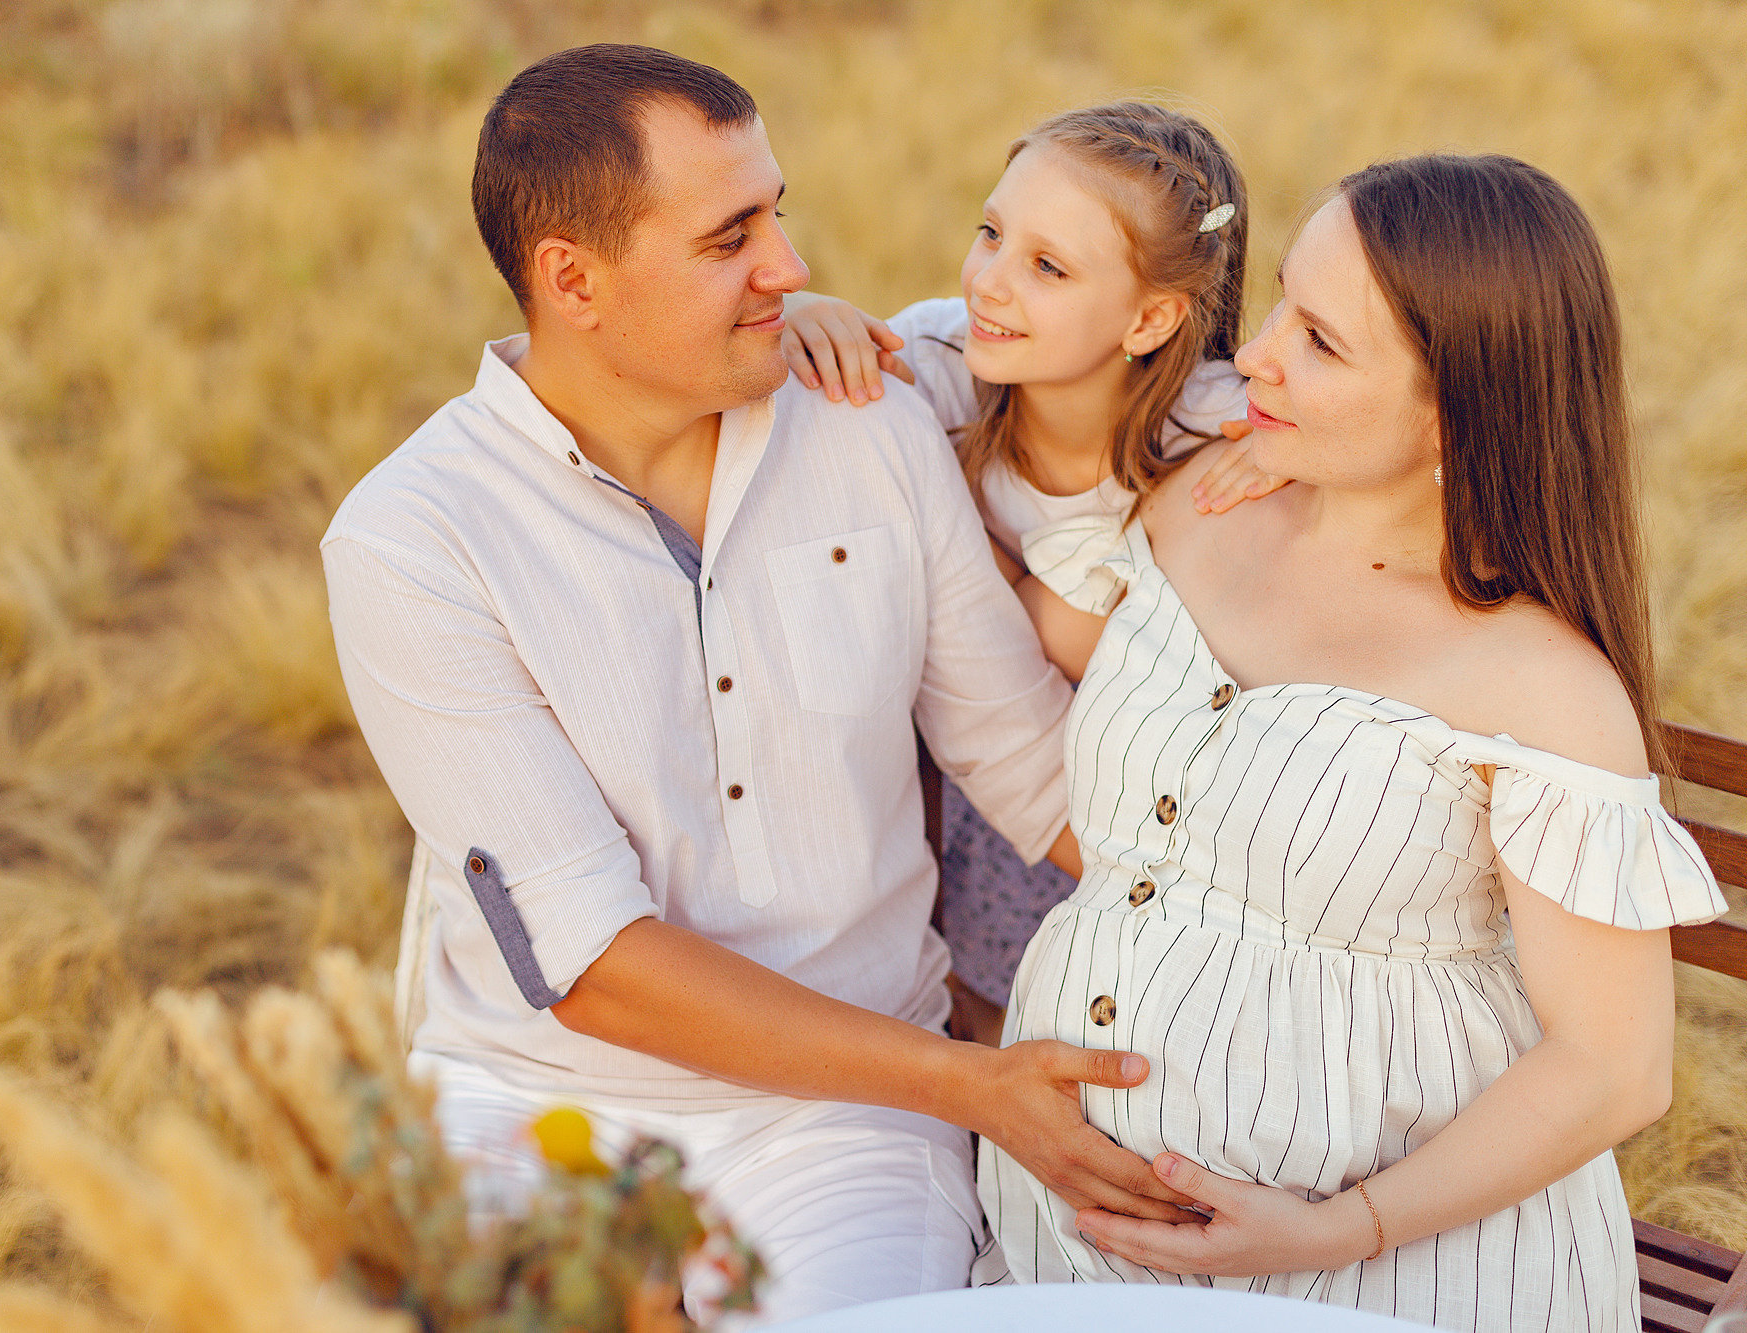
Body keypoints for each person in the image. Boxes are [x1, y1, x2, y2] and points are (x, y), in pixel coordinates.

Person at [319, 44, 1194, 1326]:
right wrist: (973, 1086)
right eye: (730, 237)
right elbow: (592, 961)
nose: (789, 265)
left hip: (850, 1114)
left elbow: (1026, 765)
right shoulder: (412, 539)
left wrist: (1305, 927)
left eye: (775, 213)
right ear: (572, 279)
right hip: (533, 1104)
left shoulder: (867, 419)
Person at [982, 153, 1727, 1331]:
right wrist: (869, 357)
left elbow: (1612, 1068)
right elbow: (1000, 618)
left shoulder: (1537, 685)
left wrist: (1341, 1226)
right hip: (1063, 1223)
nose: (1254, 354)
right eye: (1281, 299)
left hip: (1379, 1263)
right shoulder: (1196, 500)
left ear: (1457, 411)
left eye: (1320, 343)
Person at [778, 103, 1275, 1043]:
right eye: (991, 233)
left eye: (1048, 267)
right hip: (990, 761)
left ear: (1150, 319)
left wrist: (1295, 452)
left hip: (1163, 789)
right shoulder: (934, 366)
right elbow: (809, 384)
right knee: (1004, 1004)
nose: (989, 283)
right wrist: (802, 318)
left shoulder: (1214, 429)